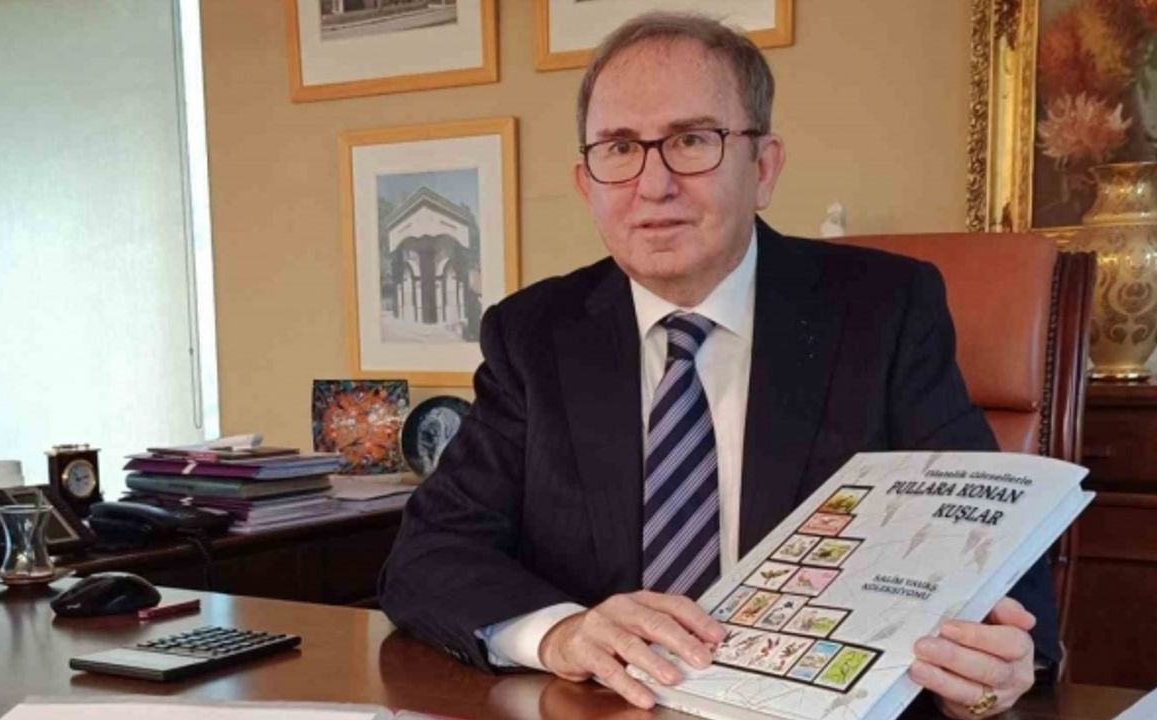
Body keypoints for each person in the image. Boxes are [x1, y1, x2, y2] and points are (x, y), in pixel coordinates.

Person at [378, 12, 1057, 719]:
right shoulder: (533, 333)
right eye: (620, 148)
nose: (653, 184)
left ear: (763, 168)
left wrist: (989, 672)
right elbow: (428, 555)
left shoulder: (884, 311)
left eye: (692, 140)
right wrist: (562, 633)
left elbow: (993, 545)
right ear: (587, 184)